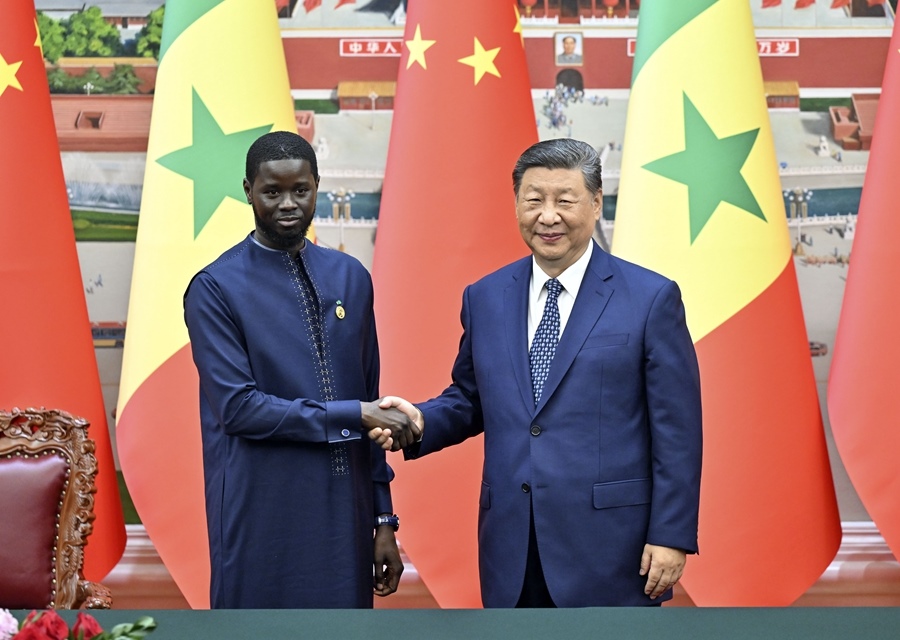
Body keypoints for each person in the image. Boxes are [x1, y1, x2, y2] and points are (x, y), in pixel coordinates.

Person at [376, 138, 702, 607]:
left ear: (595, 203)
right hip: (512, 546)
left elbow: (678, 431)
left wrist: (671, 534)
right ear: (516, 205)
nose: (548, 216)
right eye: (534, 201)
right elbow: (471, 398)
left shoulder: (650, 298)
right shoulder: (486, 297)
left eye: (564, 201)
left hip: (614, 548)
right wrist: (421, 420)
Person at [183, 130, 419, 609]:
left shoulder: (352, 277)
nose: (288, 204)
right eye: (272, 191)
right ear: (248, 190)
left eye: (300, 190)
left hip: (347, 514)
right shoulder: (214, 288)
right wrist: (356, 414)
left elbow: (370, 399)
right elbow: (239, 409)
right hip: (260, 514)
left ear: (317, 187)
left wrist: (383, 520)